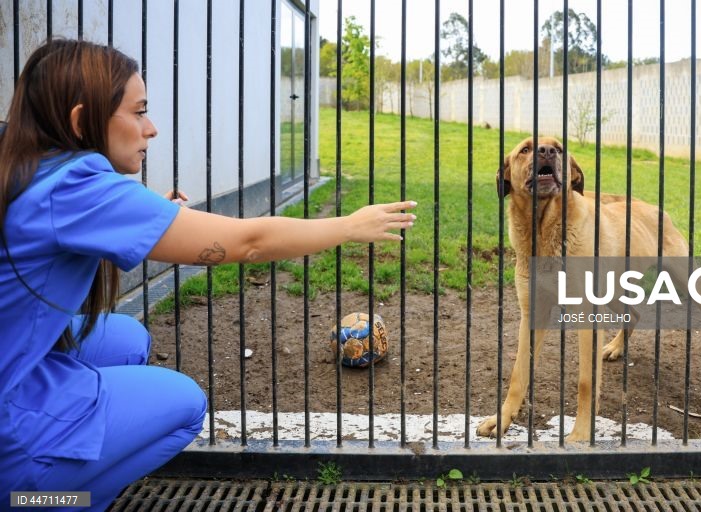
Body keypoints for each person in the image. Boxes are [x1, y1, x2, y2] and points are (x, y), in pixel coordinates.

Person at [0, 39, 416, 510]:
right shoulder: (75, 186)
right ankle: (43, 499)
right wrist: (348, 226)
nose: (151, 128)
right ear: (80, 121)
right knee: (185, 404)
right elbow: (248, 242)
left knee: (128, 339)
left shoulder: (24, 161)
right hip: (6, 415)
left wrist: (150, 217)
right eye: (139, 112)